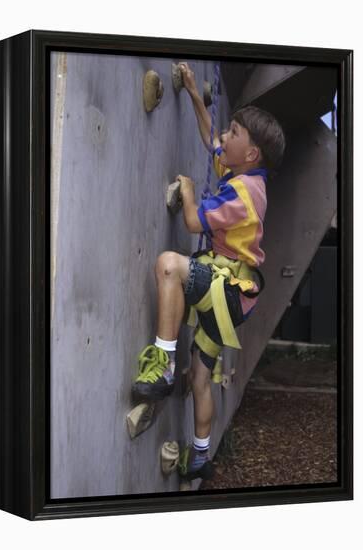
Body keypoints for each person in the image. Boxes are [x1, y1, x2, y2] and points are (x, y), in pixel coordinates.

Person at [132, 62, 285, 481]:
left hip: (228, 289)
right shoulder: (246, 175)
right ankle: (200, 455)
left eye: (234, 133)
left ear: (251, 152)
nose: (224, 136)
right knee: (201, 377)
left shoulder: (243, 193)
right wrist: (197, 98)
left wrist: (186, 189)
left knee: (169, 265)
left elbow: (194, 223)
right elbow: (209, 141)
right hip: (236, 295)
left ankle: (161, 365)